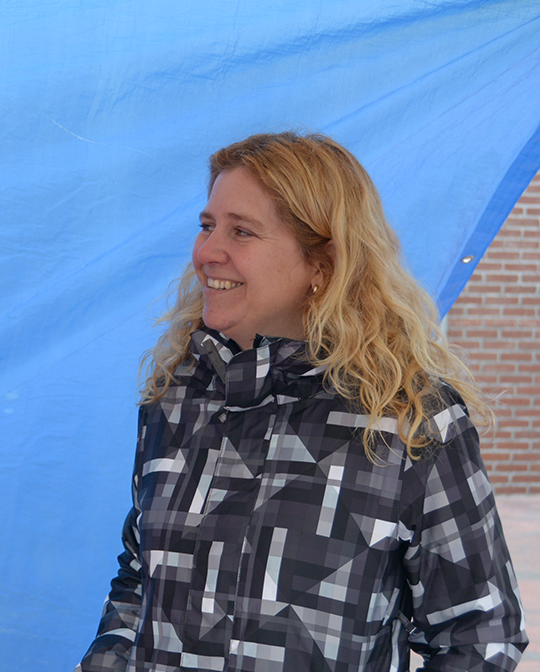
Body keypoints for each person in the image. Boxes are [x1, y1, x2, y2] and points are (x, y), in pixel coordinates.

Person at [77, 132, 527, 671]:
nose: (207, 252)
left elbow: (480, 638)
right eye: (207, 225)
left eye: (241, 231)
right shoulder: (176, 397)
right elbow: (140, 579)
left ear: (322, 263)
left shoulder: (408, 420)